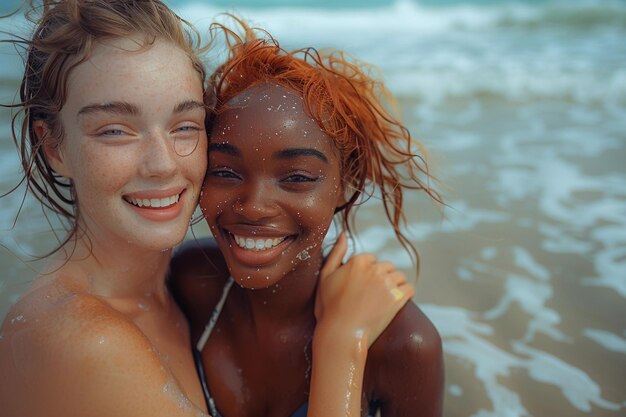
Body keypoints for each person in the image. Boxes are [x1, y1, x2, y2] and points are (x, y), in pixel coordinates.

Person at [0, 2, 414, 416]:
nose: (163, 164)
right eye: (114, 130)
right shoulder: (80, 338)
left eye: (184, 126)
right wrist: (343, 341)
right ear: (53, 146)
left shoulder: (182, 286)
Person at [169, 20, 445, 417]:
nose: (255, 206)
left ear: (346, 185)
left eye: (296, 177)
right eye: (226, 172)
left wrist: (342, 340)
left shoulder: (402, 344)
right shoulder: (190, 283)